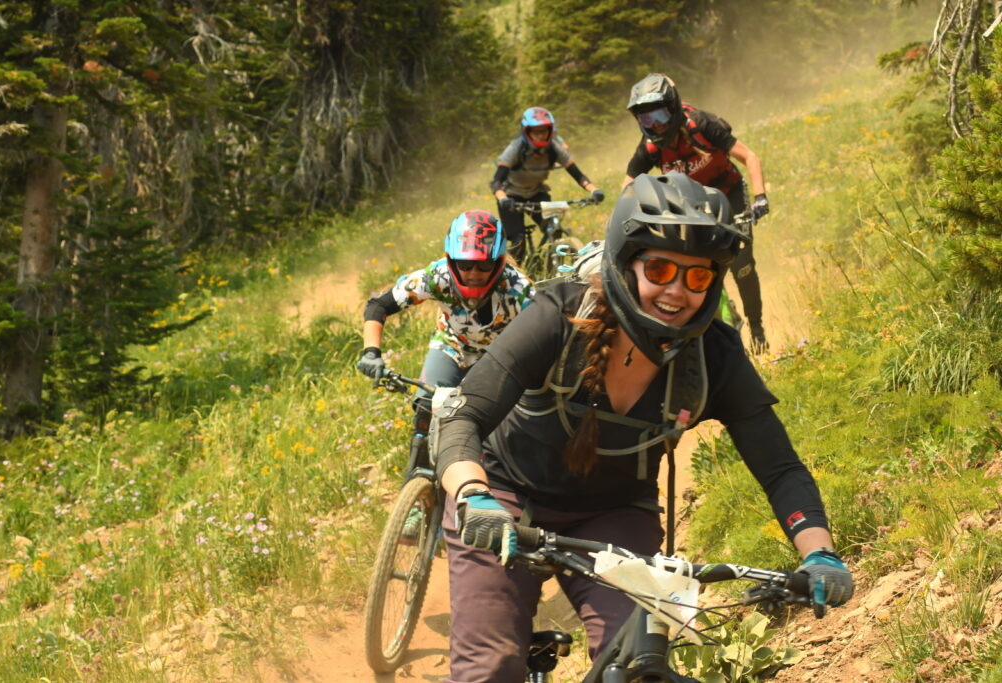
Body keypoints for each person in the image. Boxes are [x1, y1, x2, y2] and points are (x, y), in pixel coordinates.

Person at [433, 173, 853, 681]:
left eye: (697, 277)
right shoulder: (556, 318)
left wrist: (820, 555)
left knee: (640, 664)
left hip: (614, 514)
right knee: (492, 665)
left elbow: (780, 468)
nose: (677, 291)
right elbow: (464, 415)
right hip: (503, 497)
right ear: (625, 264)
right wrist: (473, 495)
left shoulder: (713, 356)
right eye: (659, 269)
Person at [357, 209, 535, 477]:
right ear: (451, 260)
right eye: (464, 264)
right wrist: (372, 352)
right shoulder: (437, 276)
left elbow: (544, 331)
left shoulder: (518, 289)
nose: (474, 273)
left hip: (497, 358)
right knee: (425, 410)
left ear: (498, 262)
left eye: (484, 265)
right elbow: (378, 305)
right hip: (451, 348)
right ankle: (417, 492)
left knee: (494, 429)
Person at [621, 73, 771, 354]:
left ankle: (758, 329)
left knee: (742, 265)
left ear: (674, 107)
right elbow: (628, 186)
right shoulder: (651, 146)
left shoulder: (703, 125)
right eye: (645, 120)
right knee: (696, 267)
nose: (654, 125)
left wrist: (760, 198)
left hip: (729, 196)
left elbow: (749, 157)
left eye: (659, 116)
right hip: (690, 209)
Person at [491, 106, 605, 262]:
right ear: (527, 131)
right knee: (518, 242)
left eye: (544, 130)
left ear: (550, 131)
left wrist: (594, 190)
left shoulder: (554, 149)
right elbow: (496, 181)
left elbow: (577, 174)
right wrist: (503, 199)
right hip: (511, 197)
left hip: (536, 193)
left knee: (554, 230)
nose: (540, 135)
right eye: (536, 131)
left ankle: (545, 263)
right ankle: (514, 272)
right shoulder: (515, 148)